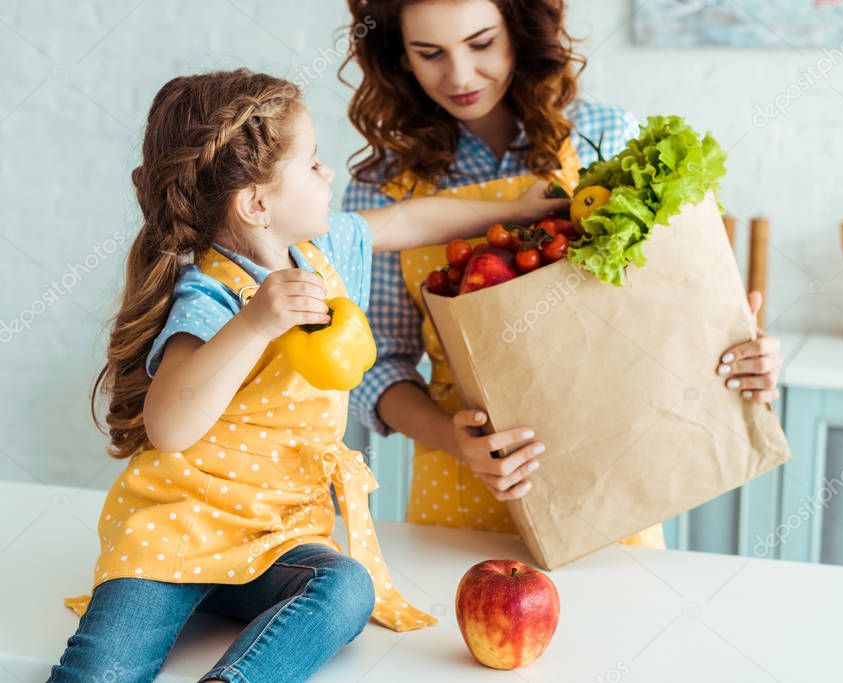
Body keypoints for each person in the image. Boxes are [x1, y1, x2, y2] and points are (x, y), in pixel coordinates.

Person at [49, 68, 567, 683]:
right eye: (313, 163)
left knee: (347, 589)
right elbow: (168, 425)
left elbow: (405, 222)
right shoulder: (211, 297)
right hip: (177, 537)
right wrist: (256, 325)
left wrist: (510, 209)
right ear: (257, 202)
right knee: (101, 667)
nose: (329, 175)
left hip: (276, 538)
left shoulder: (321, 256)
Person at [340, 0, 782, 545]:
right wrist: (461, 444)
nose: (458, 76)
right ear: (400, 56)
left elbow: (665, 309)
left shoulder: (608, 135)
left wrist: (742, 353)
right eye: (429, 53)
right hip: (462, 484)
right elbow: (375, 363)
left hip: (612, 472)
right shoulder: (379, 187)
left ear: (519, 32)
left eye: (481, 44)